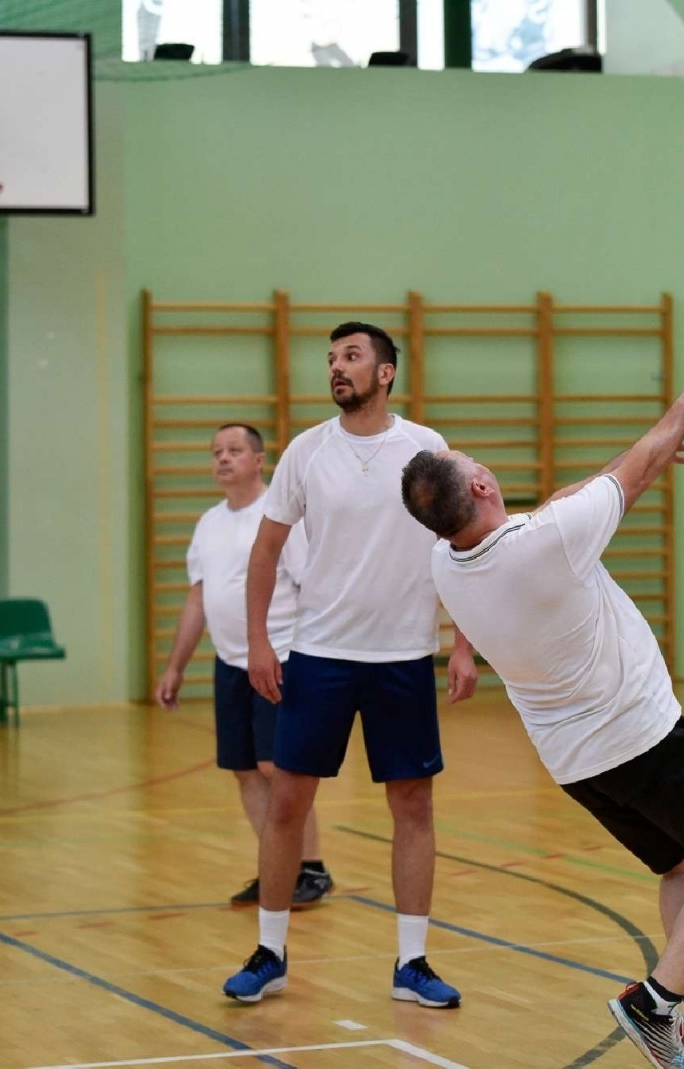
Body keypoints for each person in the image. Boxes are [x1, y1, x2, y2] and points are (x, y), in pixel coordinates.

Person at [399, 369, 684, 1068]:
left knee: (682, 865)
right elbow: (622, 481)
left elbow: (560, 506)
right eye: (474, 464)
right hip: (645, 740)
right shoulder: (548, 544)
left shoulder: (449, 559)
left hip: (579, 764)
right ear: (481, 485)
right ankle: (654, 1000)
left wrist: (656, 450)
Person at [222, 323, 479, 1009]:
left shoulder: (427, 448)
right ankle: (269, 951)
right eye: (332, 358)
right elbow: (265, 554)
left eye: (352, 356)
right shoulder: (307, 452)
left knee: (414, 805)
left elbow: (462, 544)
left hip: (402, 657)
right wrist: (258, 642)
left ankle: (414, 963)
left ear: (386, 372)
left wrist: (462, 641)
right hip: (320, 655)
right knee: (287, 802)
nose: (337, 367)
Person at [154, 423, 334, 909]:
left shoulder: (278, 518)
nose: (223, 459)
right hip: (230, 662)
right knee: (245, 771)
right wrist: (176, 666)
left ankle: (310, 867)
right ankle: (275, 866)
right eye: (216, 452)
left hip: (280, 658)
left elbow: (311, 589)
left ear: (259, 460)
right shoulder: (209, 522)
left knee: (279, 767)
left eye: (234, 450)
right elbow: (199, 597)